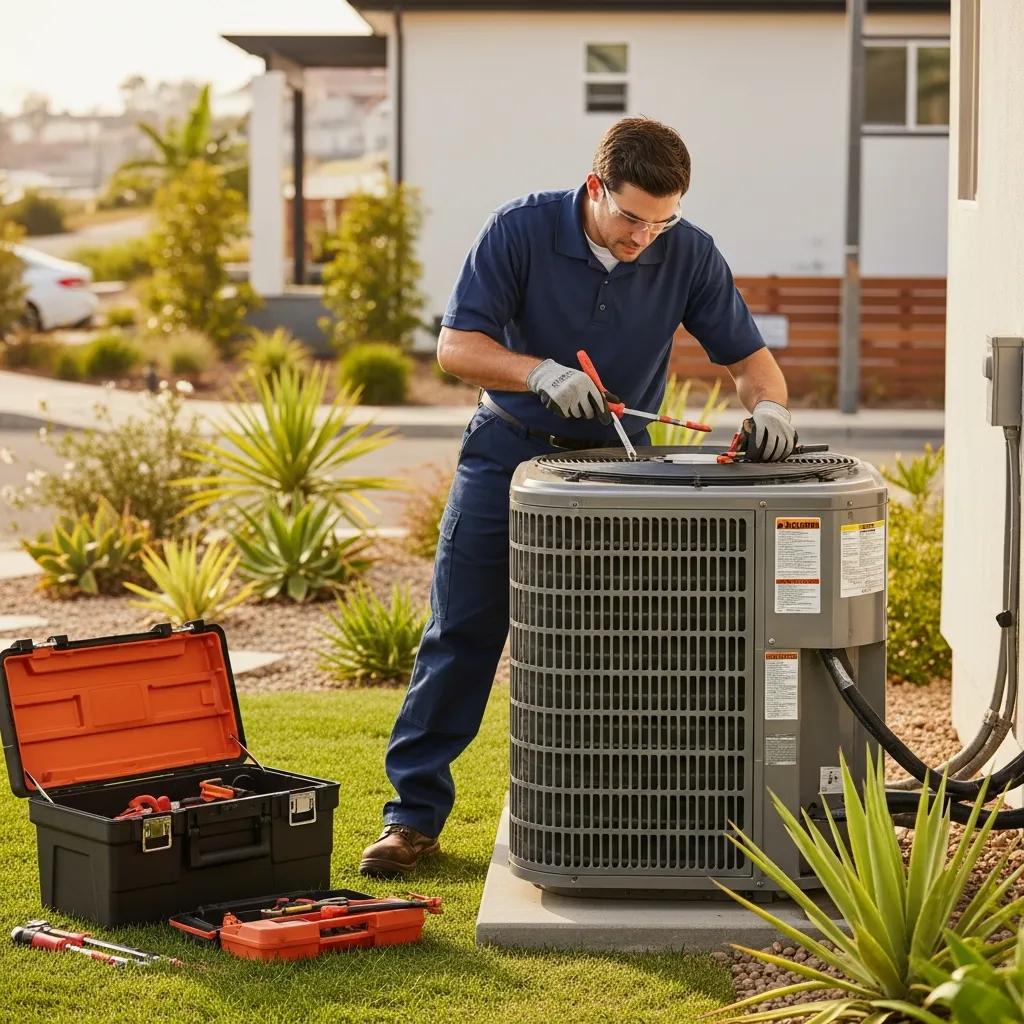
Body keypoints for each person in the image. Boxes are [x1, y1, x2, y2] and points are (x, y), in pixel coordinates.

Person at [359, 116, 794, 878]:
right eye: (631, 218)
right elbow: (455, 346)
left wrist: (769, 408)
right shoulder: (519, 230)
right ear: (595, 187)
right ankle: (412, 818)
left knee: (628, 645)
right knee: (462, 632)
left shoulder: (686, 249)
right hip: (507, 457)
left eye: (662, 221)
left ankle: (624, 811)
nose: (643, 239)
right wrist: (535, 372)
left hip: (615, 465)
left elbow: (750, 360)